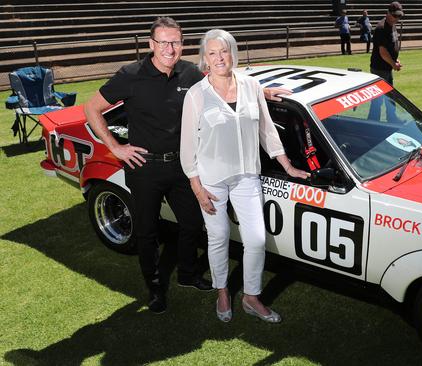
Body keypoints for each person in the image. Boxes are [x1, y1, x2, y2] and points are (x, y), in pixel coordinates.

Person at [84, 17, 290, 314]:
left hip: (184, 168)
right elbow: (92, 109)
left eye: (176, 42)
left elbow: (224, 77)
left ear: (182, 44)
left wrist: (263, 93)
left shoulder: (190, 72)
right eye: (163, 42)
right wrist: (115, 147)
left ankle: (188, 274)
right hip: (145, 168)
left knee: (193, 225)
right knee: (147, 231)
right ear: (151, 44)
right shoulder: (130, 75)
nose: (170, 48)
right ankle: (155, 288)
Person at [180, 29, 310, 323]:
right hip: (211, 179)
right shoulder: (196, 95)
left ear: (232, 53)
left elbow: (266, 129)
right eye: (212, 53)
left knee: (255, 239)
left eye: (223, 51)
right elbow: (187, 145)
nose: (218, 58)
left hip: (247, 176)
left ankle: (251, 297)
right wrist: (196, 186)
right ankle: (222, 291)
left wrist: (287, 166)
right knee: (219, 236)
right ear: (205, 59)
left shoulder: (251, 85)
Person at [368, 2, 403, 122]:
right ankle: (373, 122)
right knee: (378, 99)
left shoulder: (392, 24)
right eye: (395, 16)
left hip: (387, 67)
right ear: (388, 13)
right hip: (379, 68)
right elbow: (383, 52)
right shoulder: (381, 28)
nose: (397, 19)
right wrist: (394, 64)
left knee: (390, 96)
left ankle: (391, 119)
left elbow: (391, 46)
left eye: (399, 16)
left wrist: (394, 60)